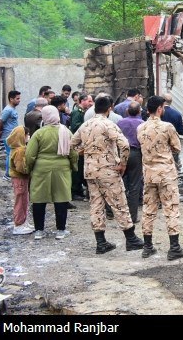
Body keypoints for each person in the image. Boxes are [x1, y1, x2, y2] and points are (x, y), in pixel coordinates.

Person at [70, 95, 144, 254]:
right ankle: (131, 239)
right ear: (110, 108)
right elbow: (124, 144)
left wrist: (83, 153)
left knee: (96, 205)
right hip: (108, 170)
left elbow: (72, 143)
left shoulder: (86, 125)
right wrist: (122, 163)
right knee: (119, 203)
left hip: (90, 171)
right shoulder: (108, 124)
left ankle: (101, 242)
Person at [138, 95, 183, 260]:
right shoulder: (167, 127)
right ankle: (174, 247)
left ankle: (147, 246)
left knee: (148, 209)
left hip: (149, 174)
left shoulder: (141, 128)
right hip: (166, 173)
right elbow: (177, 148)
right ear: (160, 108)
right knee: (171, 209)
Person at [25, 106, 78, 240]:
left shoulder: (39, 133)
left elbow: (30, 154)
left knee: (39, 198)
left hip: (41, 169)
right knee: (61, 198)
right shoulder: (66, 131)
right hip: (62, 168)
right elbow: (73, 153)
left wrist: (29, 168)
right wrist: (73, 166)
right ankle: (60, 230)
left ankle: (39, 231)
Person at [118, 102, 145, 224]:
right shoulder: (142, 124)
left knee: (116, 183)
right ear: (139, 111)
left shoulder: (120, 123)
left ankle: (114, 212)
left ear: (127, 111)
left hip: (120, 154)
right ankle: (132, 216)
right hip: (135, 153)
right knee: (135, 185)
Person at [7, 125, 33, 235]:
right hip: (20, 178)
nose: (28, 137)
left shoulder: (15, 148)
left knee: (24, 200)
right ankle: (19, 224)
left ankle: (23, 221)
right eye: (27, 135)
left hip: (18, 178)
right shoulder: (20, 150)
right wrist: (30, 169)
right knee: (21, 201)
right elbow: (21, 167)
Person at [70, 93, 93, 201]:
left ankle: (78, 190)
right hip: (78, 144)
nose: (90, 103)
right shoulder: (76, 112)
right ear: (82, 101)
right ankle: (75, 191)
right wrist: (86, 127)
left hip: (82, 143)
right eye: (89, 101)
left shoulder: (83, 112)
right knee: (77, 169)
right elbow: (75, 126)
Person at [0, 89, 21, 180]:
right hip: (8, 136)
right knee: (9, 154)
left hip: (13, 135)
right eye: (17, 99)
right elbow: (0, 122)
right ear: (11, 99)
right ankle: (7, 175)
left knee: (12, 154)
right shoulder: (8, 110)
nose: (19, 100)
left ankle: (10, 173)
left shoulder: (12, 109)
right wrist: (0, 132)